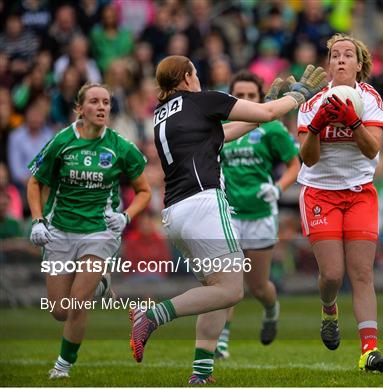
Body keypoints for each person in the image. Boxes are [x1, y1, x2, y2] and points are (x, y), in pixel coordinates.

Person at [129, 55, 326, 384]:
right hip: (204, 202)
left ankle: (201, 373)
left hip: (176, 212)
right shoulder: (202, 101)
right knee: (232, 290)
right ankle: (151, 316)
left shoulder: (164, 113)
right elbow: (265, 115)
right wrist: (298, 95)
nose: (199, 76)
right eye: (195, 71)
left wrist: (268, 104)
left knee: (215, 289)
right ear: (187, 77)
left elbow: (228, 131)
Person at [27, 83, 151, 379]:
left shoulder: (120, 146)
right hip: (60, 231)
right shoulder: (61, 141)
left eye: (106, 102)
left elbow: (144, 190)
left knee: (77, 304)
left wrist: (126, 216)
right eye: (94, 102)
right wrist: (37, 220)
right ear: (80, 108)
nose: (101, 107)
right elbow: (35, 182)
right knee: (60, 310)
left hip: (100, 231)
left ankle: (62, 367)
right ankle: (100, 286)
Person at [296, 33, 383, 372]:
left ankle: (369, 351)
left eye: (347, 55)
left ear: (359, 64)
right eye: (335, 55)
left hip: (359, 192)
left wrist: (352, 121)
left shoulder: (370, 99)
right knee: (333, 275)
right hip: (320, 192)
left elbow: (372, 149)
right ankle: (328, 307)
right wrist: (319, 125)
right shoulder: (311, 104)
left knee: (362, 273)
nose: (340, 60)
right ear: (328, 65)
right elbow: (307, 158)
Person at [215, 70, 301, 358]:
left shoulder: (271, 128)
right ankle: (221, 339)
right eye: (239, 95)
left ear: (260, 97)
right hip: (228, 213)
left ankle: (270, 309)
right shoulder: (219, 126)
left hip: (260, 214)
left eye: (251, 95)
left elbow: (294, 165)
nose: (245, 100)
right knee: (227, 279)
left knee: (258, 286)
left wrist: (277, 188)